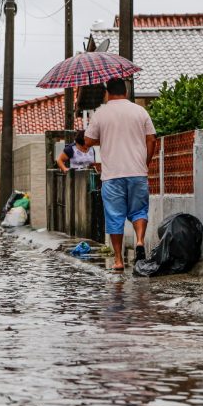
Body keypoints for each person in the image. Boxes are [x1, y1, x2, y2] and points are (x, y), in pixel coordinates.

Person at [84, 78, 157, 271]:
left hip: (112, 175)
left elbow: (88, 140)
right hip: (137, 172)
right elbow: (151, 139)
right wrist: (146, 162)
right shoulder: (139, 111)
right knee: (139, 211)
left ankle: (118, 260)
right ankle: (140, 241)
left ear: (107, 92)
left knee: (115, 217)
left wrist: (105, 136)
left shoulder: (101, 114)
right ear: (125, 91)